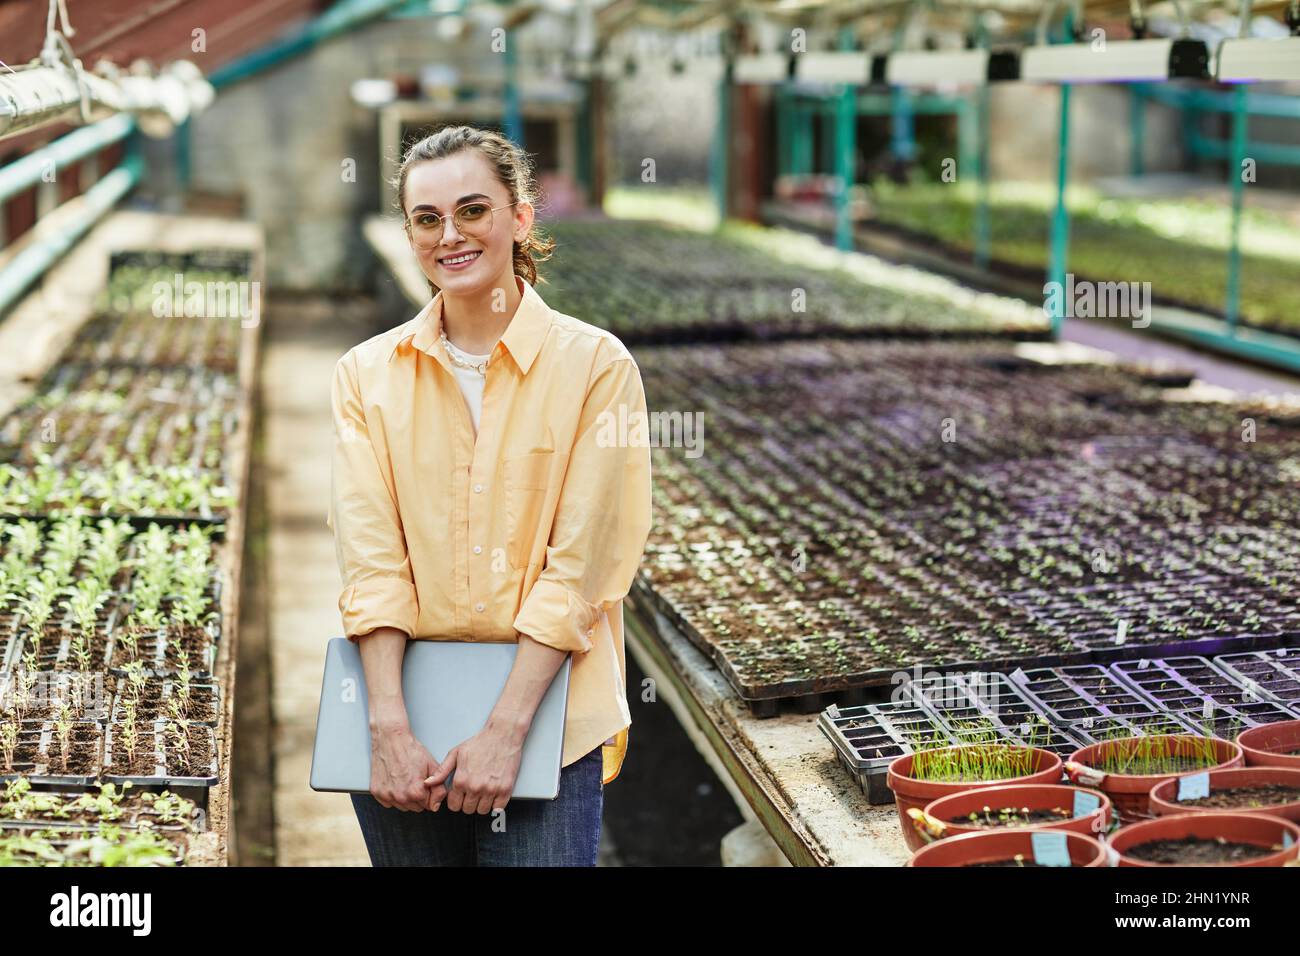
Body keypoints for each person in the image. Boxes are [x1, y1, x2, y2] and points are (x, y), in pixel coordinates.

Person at [327, 125, 653, 866]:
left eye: (473, 210)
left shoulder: (596, 368)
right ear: (410, 231)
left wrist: (508, 730)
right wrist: (387, 728)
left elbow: (584, 569)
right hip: (404, 724)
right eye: (428, 218)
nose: (451, 236)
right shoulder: (365, 376)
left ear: (522, 217)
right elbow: (372, 565)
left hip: (549, 720)